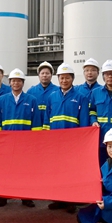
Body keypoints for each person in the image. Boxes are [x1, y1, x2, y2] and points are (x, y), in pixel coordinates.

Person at [44, 63, 90, 213]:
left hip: (72, 143)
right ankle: (58, 199)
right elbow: (46, 120)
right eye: (62, 78)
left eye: (67, 78)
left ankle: (71, 200)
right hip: (55, 142)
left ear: (72, 79)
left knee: (71, 172)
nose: (64, 80)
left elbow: (84, 122)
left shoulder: (81, 98)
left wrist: (82, 142)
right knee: (56, 171)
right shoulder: (52, 97)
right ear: (58, 79)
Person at [0, 68, 41, 208]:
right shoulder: (2, 100)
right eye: (13, 81)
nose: (16, 83)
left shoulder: (31, 100)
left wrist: (34, 141)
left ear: (23, 83)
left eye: (19, 81)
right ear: (10, 82)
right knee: (4, 170)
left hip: (25, 143)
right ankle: (3, 196)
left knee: (25, 170)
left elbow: (36, 122)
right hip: (7, 141)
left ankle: (26, 197)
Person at [26, 61, 59, 126]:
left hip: (52, 127)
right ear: (38, 75)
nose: (44, 75)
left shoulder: (58, 91)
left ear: (51, 75)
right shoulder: (31, 91)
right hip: (35, 126)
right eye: (42, 73)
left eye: (47, 73)